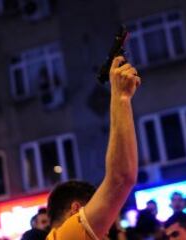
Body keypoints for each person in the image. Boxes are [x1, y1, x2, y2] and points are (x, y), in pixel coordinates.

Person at [46, 55, 141, 240]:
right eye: (103, 224)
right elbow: (121, 178)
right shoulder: (67, 237)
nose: (105, 233)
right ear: (76, 211)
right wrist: (121, 97)